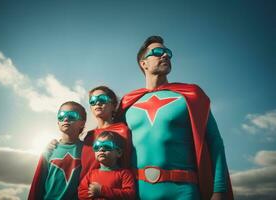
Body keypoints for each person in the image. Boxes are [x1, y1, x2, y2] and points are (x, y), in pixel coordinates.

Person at [116, 36, 234, 200]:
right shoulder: (127, 104)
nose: (165, 55)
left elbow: (215, 142)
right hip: (138, 192)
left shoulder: (190, 96)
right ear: (143, 63)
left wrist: (219, 190)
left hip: (183, 192)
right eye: (157, 52)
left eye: (167, 53)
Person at [48, 86, 132, 179]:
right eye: (93, 101)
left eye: (102, 99)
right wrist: (56, 145)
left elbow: (127, 165)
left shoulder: (122, 131)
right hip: (84, 190)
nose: (98, 103)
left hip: (109, 189)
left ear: (113, 105)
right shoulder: (89, 136)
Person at [28, 101, 86, 200]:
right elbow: (38, 183)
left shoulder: (87, 150)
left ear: (82, 123)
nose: (66, 119)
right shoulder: (49, 150)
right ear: (58, 122)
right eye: (61, 116)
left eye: (72, 116)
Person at [78, 131, 136, 199]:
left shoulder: (124, 174)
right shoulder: (91, 174)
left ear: (118, 152)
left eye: (107, 146)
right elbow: (81, 193)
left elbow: (130, 195)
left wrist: (102, 191)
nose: (101, 149)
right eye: (97, 147)